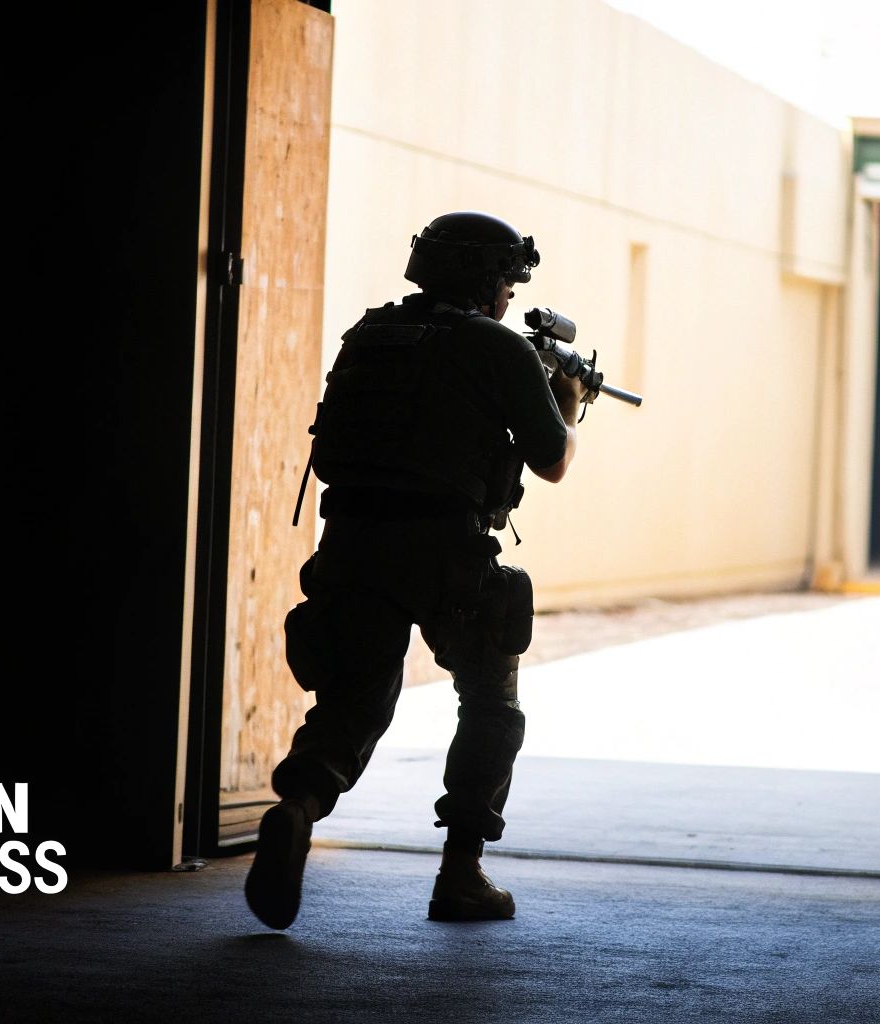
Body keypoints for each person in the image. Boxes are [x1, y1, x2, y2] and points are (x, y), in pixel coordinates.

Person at [245, 211, 586, 929]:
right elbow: (552, 461)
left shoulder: (369, 335)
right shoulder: (498, 348)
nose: (506, 297)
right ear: (488, 281)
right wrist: (568, 403)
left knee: (349, 702)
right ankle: (460, 875)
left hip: (352, 542)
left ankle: (298, 808)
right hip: (445, 549)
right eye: (505, 282)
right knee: (490, 703)